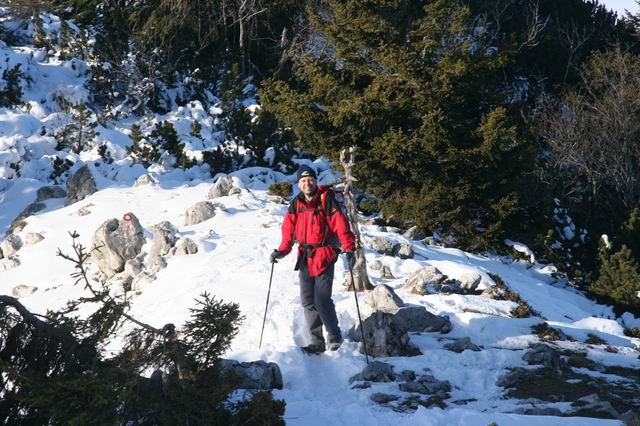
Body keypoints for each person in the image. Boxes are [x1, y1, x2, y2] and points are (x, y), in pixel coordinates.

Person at [271, 165, 356, 354]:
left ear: (315, 181)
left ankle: (335, 337)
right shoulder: (296, 203)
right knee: (308, 301)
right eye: (303, 180)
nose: (307, 183)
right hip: (305, 256)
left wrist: (349, 247)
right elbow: (288, 230)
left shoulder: (327, 200)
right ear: (298, 184)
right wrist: (282, 251)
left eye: (310, 179)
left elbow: (340, 225)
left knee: (322, 299)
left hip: (325, 254)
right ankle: (317, 341)